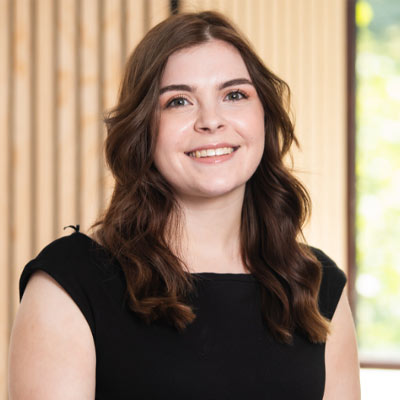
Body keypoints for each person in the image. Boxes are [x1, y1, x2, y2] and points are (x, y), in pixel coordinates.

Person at [8, 10, 360, 400]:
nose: (211, 121)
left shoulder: (318, 286)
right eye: (178, 101)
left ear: (265, 117)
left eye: (234, 95)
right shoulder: (71, 282)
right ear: (143, 128)